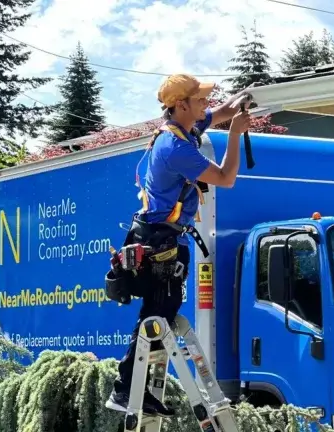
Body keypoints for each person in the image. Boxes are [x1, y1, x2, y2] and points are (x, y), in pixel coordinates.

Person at [106, 73, 253, 417]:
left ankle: (135, 391)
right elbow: (226, 178)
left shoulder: (182, 127)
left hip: (161, 235)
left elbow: (221, 112)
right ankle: (126, 390)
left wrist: (242, 101)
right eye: (199, 99)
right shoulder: (175, 148)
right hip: (159, 239)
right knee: (156, 316)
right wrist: (234, 136)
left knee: (161, 315)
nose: (206, 105)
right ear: (180, 105)